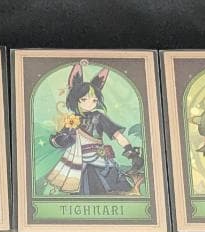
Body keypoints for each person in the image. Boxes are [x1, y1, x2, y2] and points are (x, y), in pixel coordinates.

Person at [45, 63, 144, 195]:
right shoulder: (72, 120)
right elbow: (61, 141)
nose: (89, 103)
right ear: (76, 100)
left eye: (94, 100)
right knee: (82, 192)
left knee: (113, 189)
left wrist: (132, 153)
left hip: (100, 160)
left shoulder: (99, 117)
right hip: (78, 164)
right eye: (84, 99)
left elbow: (117, 135)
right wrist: (61, 139)